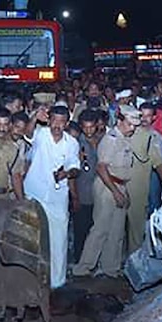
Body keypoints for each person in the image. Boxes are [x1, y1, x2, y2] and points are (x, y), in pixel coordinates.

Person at [73, 106, 142, 278]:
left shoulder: (125, 138)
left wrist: (123, 191)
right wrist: (116, 192)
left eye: (134, 125)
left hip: (119, 185)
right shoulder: (110, 139)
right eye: (129, 124)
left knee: (117, 231)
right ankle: (83, 267)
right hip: (107, 187)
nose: (132, 128)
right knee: (100, 229)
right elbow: (102, 168)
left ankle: (111, 267)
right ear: (120, 120)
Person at [24, 105, 81, 288]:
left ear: (67, 123)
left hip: (58, 197)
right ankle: (31, 280)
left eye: (61, 122)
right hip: (35, 193)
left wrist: (66, 174)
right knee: (32, 237)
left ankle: (57, 282)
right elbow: (27, 133)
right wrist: (33, 117)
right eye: (54, 120)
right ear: (48, 120)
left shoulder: (71, 143)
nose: (57, 125)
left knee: (59, 238)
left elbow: (75, 166)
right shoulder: (41, 135)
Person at [126, 103, 162, 254]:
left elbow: (161, 162)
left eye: (148, 116)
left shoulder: (156, 137)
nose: (144, 119)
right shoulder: (129, 131)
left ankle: (138, 255)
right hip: (124, 183)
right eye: (142, 115)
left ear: (153, 118)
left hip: (144, 184)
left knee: (141, 223)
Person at [72, 110, 102, 262]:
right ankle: (78, 261)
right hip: (82, 194)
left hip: (99, 194)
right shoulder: (76, 144)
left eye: (91, 127)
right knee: (80, 231)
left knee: (96, 230)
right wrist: (75, 197)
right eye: (85, 127)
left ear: (96, 126)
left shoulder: (103, 140)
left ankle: (92, 261)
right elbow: (72, 175)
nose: (88, 130)